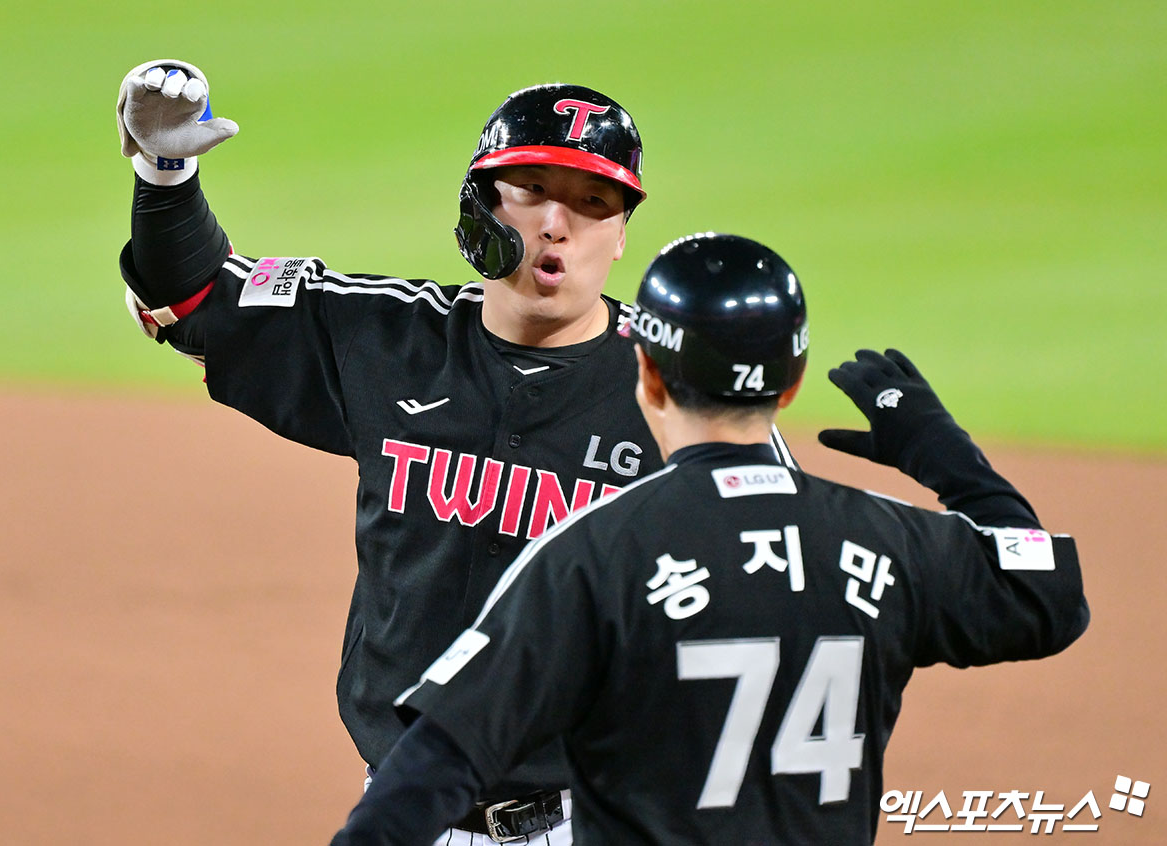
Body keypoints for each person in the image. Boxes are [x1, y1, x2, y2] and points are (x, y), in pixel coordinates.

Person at [114, 61, 798, 843]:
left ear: (620, 237)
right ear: (481, 207)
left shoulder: (685, 395)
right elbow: (195, 299)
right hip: (404, 810)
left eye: (592, 203)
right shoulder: (386, 338)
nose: (557, 224)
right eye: (533, 191)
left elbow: (782, 589)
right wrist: (165, 174)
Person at [329, 232, 1090, 845]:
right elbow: (1049, 592)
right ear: (789, 387)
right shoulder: (886, 539)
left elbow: (439, 756)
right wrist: (949, 461)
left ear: (647, 376)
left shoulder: (595, 554)